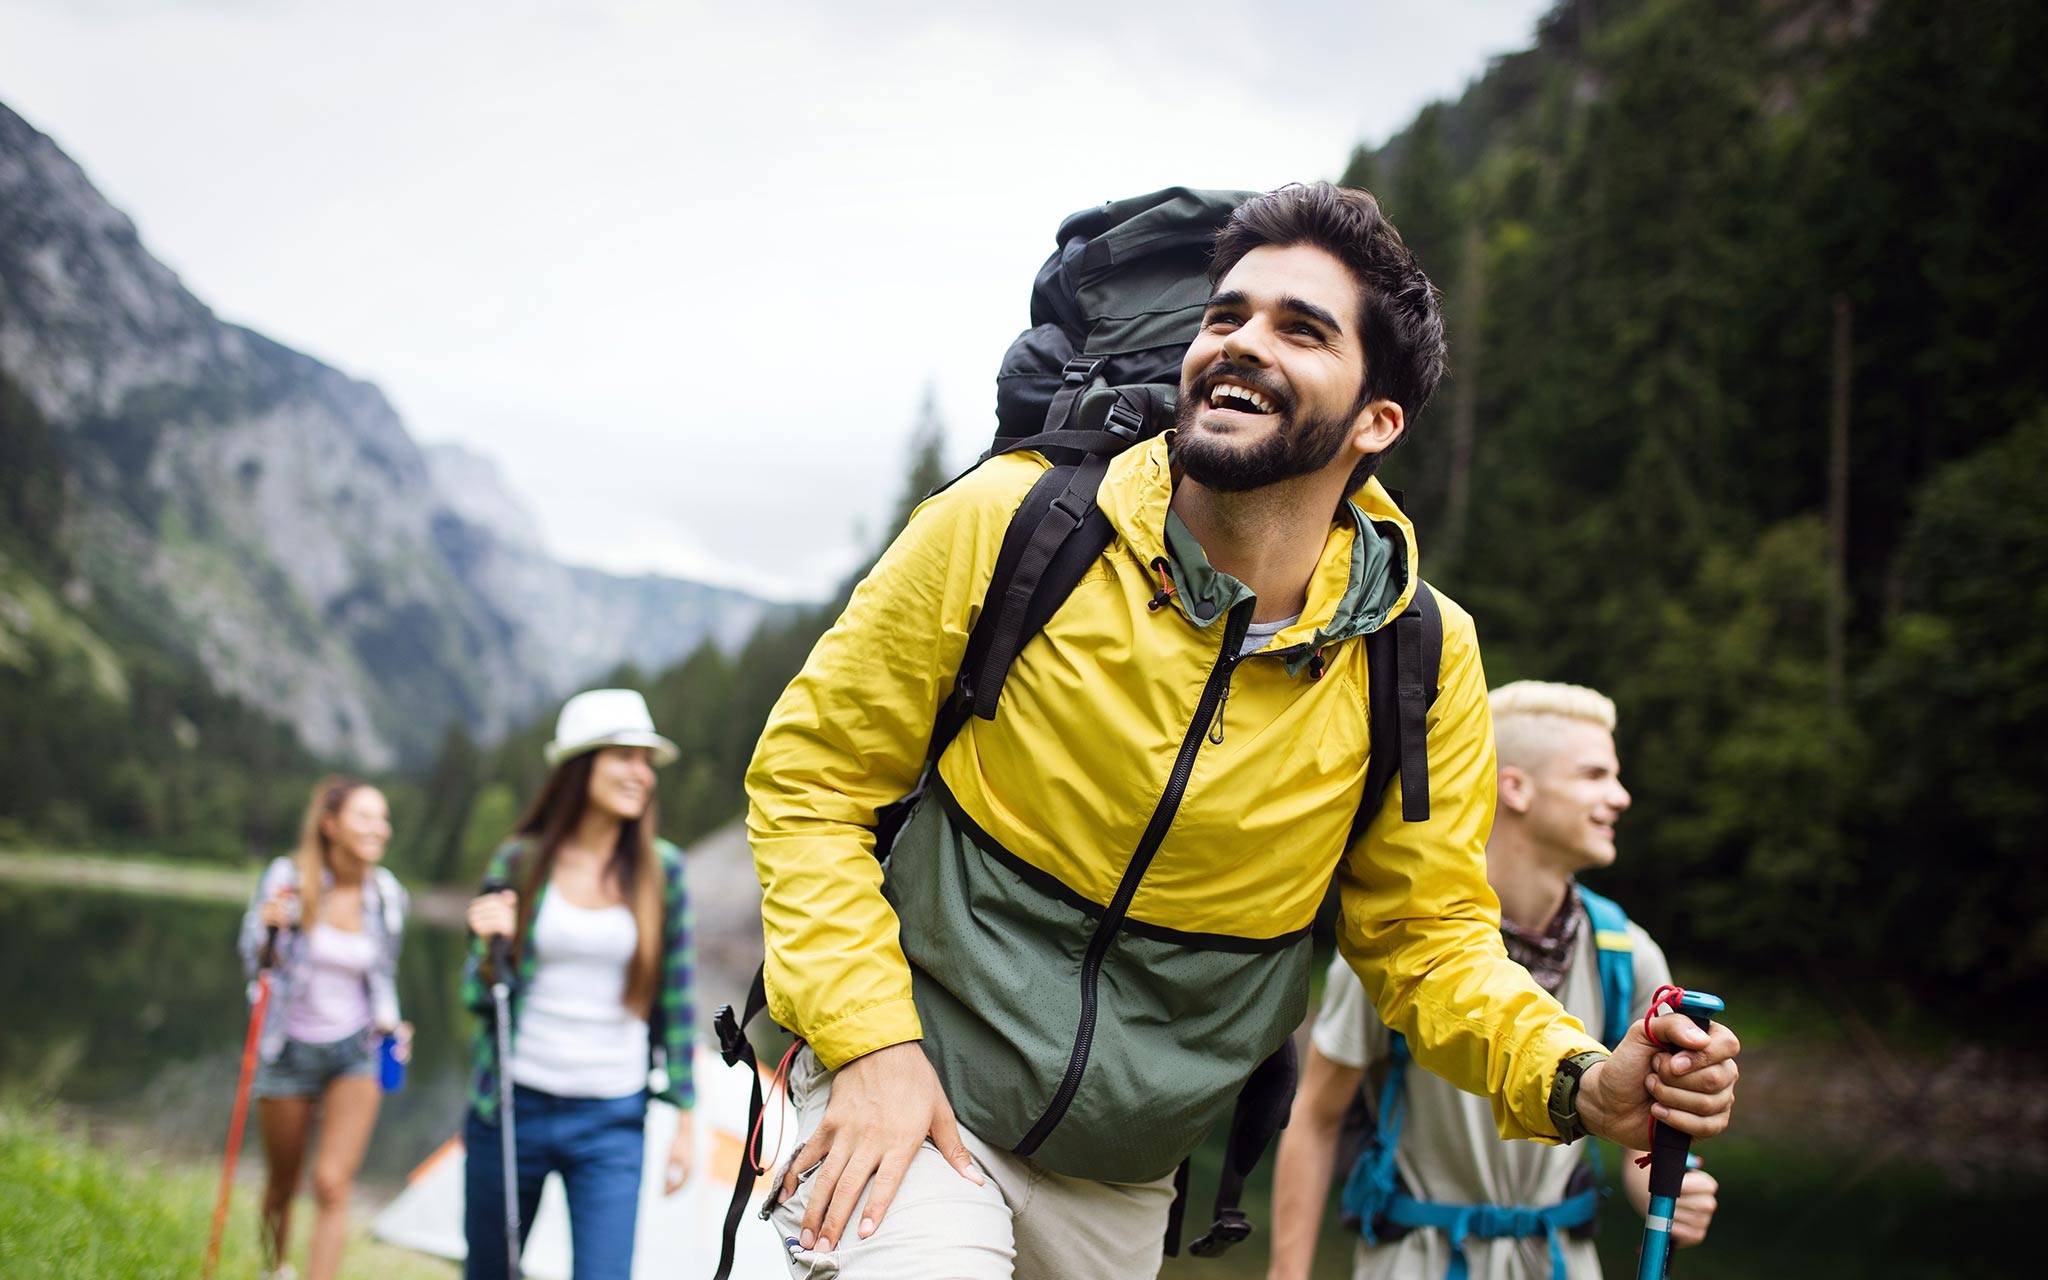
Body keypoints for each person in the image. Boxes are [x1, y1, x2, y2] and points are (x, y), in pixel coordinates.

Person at [743, 182, 1741, 1279]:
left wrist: (1582, 1078)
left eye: (1299, 329)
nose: (1240, 343)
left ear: (1376, 420)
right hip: (906, 1093)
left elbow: (1427, 938)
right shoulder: (1009, 523)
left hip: (1122, 1179)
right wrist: (874, 1048)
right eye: (1226, 316)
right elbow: (811, 783)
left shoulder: (1417, 652)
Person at [1266, 681, 1721, 1280]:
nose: (1621, 797)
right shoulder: (1404, 945)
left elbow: (1641, 1131)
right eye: (1594, 775)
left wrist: (1670, 1184)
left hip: (1563, 1262)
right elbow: (1318, 1117)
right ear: (1516, 787)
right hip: (1417, 1262)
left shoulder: (1626, 955)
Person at [461, 687, 696, 1280]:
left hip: (612, 1120)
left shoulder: (663, 871)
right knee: (491, 1271)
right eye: (623, 755)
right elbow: (476, 997)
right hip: (511, 1107)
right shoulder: (518, 862)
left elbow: (677, 1001)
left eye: (647, 761)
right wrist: (490, 951)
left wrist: (686, 1120)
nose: (640, 773)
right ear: (579, 766)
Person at [238, 775, 411, 1280]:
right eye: (365, 816)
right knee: (282, 1184)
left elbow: (384, 975)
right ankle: (276, 1269)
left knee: (333, 1184)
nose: (379, 828)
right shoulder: (287, 879)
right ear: (330, 825)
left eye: (383, 818)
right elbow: (255, 962)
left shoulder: (387, 894)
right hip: (286, 1047)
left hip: (357, 1050)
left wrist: (393, 1022)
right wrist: (269, 928)